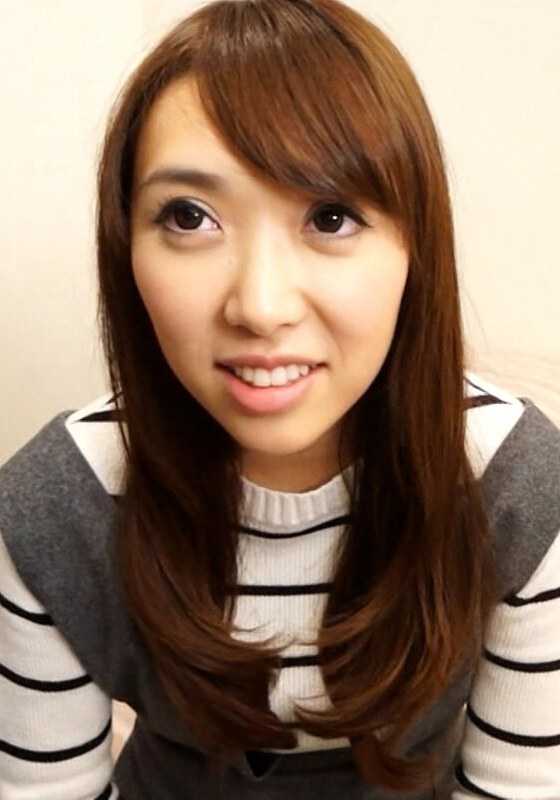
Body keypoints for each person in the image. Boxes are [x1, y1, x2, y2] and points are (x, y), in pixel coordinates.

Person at [1, 0, 559, 798]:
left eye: (330, 216)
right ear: (126, 247)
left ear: (415, 246)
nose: (260, 307)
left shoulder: (518, 490)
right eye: (189, 217)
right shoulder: (56, 509)